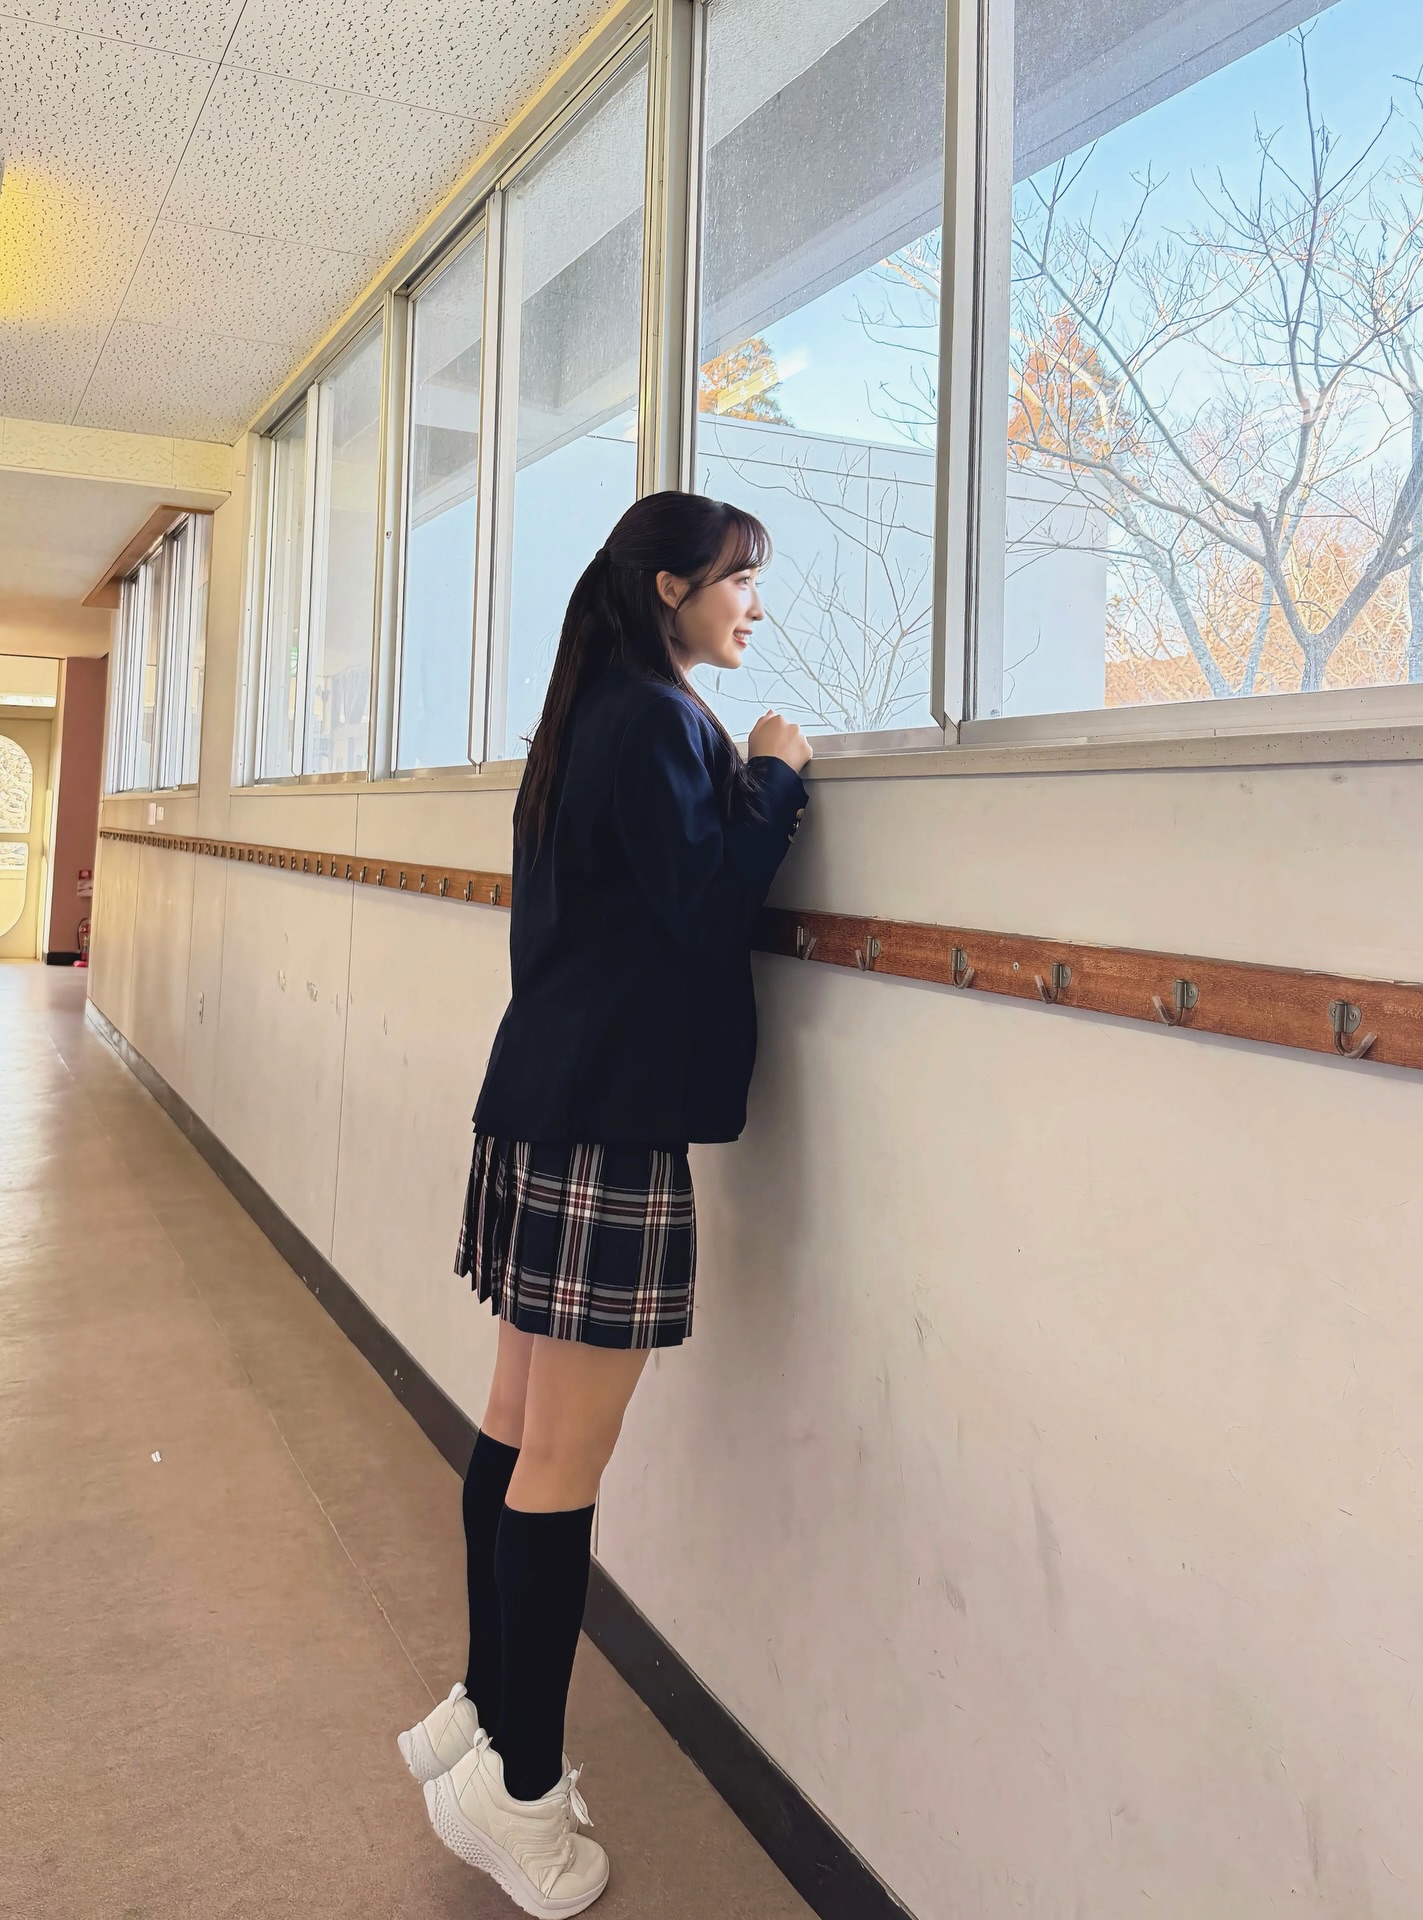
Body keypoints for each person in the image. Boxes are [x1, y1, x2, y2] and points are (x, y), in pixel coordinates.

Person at [397, 491, 811, 1916]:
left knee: (519, 1432)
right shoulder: (654, 719)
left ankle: (483, 1712)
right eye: (739, 580)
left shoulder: (590, 712)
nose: (754, 604)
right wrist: (775, 778)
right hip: (606, 1133)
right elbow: (708, 910)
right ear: (669, 587)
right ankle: (520, 1793)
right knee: (559, 1467)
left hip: (544, 1104)